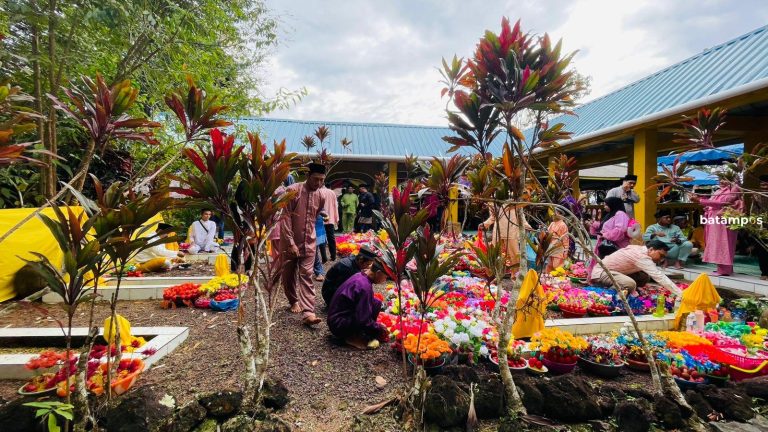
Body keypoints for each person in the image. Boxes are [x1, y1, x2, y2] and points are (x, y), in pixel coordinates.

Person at [280, 162, 327, 325]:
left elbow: (316, 214)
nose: (318, 183)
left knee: (306, 274)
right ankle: (293, 300)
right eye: (316, 179)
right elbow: (285, 217)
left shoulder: (321, 195)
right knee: (288, 274)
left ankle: (308, 312)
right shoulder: (292, 190)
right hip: (289, 242)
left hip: (310, 242)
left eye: (322, 180)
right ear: (308, 176)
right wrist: (291, 242)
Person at [326, 259, 389, 350]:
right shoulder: (364, 286)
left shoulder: (361, 275)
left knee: (376, 302)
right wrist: (378, 328)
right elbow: (363, 318)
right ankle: (350, 337)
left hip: (336, 318)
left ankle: (359, 333)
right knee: (369, 322)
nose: (385, 280)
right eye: (385, 277)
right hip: (338, 324)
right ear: (378, 273)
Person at [590, 240, 682, 300]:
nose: (661, 259)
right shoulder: (641, 257)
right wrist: (680, 293)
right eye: (660, 255)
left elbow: (655, 274)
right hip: (601, 273)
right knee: (630, 284)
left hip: (616, 272)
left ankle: (625, 289)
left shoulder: (640, 250)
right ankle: (607, 295)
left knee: (644, 277)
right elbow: (659, 276)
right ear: (651, 249)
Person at [689, 178, 744, 276]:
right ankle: (723, 268)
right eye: (720, 179)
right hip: (715, 222)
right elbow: (713, 203)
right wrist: (707, 206)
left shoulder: (734, 188)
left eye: (724, 179)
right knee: (717, 243)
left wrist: (700, 200)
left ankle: (725, 270)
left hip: (724, 221)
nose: (721, 182)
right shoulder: (719, 190)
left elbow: (725, 203)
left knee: (724, 243)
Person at [479, 203, 530, 269]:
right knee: (494, 254)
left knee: (514, 255)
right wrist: (485, 224)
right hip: (498, 232)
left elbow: (521, 216)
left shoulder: (516, 202)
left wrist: (527, 226)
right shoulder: (493, 203)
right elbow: (493, 217)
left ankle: (515, 274)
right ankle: (494, 273)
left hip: (511, 232)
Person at [751, 174, 768, 280]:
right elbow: (753, 211)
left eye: (766, 184)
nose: (763, 185)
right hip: (760, 227)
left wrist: (758, 201)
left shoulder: (760, 196)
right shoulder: (756, 195)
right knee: (761, 250)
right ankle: (764, 272)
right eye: (762, 183)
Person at [320, 184, 339, 261]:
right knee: (331, 237)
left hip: (320, 219)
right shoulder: (332, 192)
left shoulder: (318, 191)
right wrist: (336, 219)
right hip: (330, 219)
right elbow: (335, 206)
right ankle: (333, 256)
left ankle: (324, 258)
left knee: (321, 238)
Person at [314, 214, 328, 282]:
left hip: (315, 224)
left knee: (313, 251)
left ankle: (319, 271)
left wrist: (324, 215)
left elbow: (324, 212)